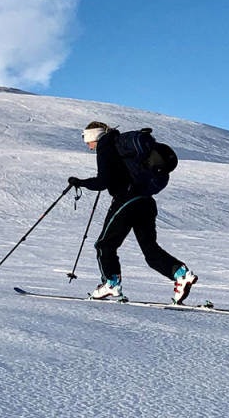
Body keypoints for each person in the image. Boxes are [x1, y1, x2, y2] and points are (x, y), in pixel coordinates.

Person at [68, 121, 198, 304]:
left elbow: (103, 182)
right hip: (145, 201)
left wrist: (80, 182)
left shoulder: (105, 146)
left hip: (126, 201)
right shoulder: (121, 144)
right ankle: (181, 274)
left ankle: (111, 284)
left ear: (93, 136)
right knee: (151, 251)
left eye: (86, 138)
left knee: (105, 245)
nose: (86, 143)